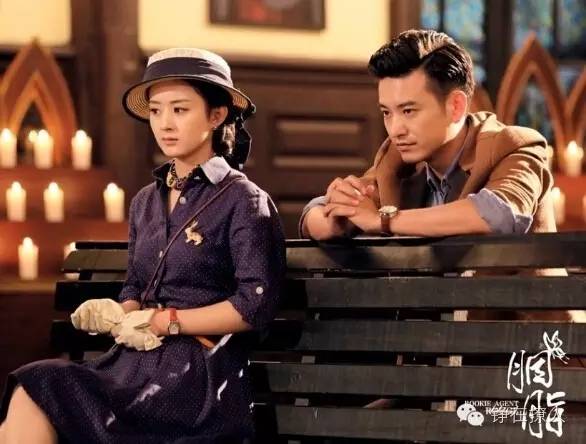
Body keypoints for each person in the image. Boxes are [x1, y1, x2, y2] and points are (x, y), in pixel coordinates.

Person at [0, 48, 286, 443]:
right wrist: (116, 312)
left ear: (217, 115)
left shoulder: (244, 200)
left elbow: (254, 305)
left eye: (180, 110)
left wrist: (165, 321)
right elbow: (136, 286)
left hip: (197, 377)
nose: (165, 123)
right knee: (32, 390)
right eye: (155, 111)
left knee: (39, 384)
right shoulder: (145, 202)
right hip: (131, 365)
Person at [300, 29, 585, 323]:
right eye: (387, 113)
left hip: (533, 342)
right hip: (440, 342)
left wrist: (383, 220)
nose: (395, 129)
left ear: (456, 106)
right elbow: (315, 212)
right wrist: (334, 220)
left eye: (408, 111)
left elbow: (498, 214)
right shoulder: (396, 160)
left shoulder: (515, 146)